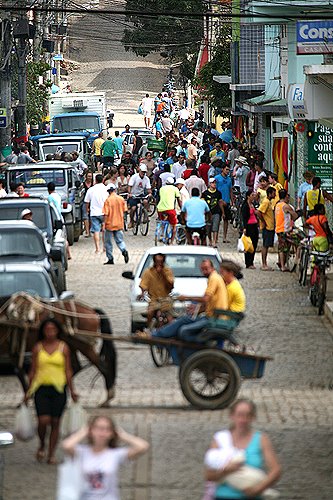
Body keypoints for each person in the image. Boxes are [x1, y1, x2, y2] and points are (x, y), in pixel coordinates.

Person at [25, 318, 78, 465]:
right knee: (43, 420)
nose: (50, 333)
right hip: (41, 388)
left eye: (53, 330)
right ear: (43, 331)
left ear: (57, 331)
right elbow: (33, 370)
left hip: (59, 389)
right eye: (47, 330)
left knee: (56, 421)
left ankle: (51, 453)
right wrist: (28, 391)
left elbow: (68, 370)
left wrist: (72, 390)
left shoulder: (63, 348)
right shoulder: (37, 348)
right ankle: (42, 443)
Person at [205, 399, 281, 500]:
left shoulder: (261, 439)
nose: (243, 420)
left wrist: (257, 490)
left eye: (248, 415)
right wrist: (226, 471)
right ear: (232, 416)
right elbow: (208, 475)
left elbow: (276, 470)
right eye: (239, 415)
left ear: (253, 417)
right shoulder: (220, 439)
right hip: (222, 497)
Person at [62, 416, 149, 500]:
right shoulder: (82, 452)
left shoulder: (115, 454)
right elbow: (66, 445)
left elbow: (143, 446)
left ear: (112, 433)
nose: (102, 433)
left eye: (107, 429)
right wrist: (83, 432)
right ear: (91, 430)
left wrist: (123, 435)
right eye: (98, 428)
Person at [142, 259, 228, 342]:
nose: (204, 272)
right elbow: (210, 302)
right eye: (202, 269)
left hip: (213, 319)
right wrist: (198, 308)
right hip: (211, 316)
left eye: (206, 269)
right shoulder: (214, 278)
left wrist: (186, 298)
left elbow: (206, 298)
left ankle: (155, 335)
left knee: (183, 330)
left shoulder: (214, 278)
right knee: (184, 319)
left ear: (212, 268)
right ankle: (157, 334)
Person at [140, 253, 175, 326]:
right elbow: (144, 285)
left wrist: (163, 274)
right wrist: (142, 293)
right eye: (157, 262)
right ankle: (148, 328)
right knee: (150, 312)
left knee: (170, 318)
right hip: (154, 299)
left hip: (165, 299)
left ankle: (171, 330)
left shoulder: (167, 271)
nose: (159, 264)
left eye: (161, 262)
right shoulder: (148, 272)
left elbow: (171, 285)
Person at [102, 183, 129, 265]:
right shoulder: (121, 199)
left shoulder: (108, 200)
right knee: (120, 240)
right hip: (119, 223)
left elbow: (106, 213)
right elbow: (125, 210)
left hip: (109, 224)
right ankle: (124, 250)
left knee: (108, 242)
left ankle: (110, 258)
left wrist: (104, 224)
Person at [275, 189, 300, 272]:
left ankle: (281, 264)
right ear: (286, 196)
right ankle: (295, 261)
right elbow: (295, 216)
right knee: (297, 243)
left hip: (279, 229)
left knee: (281, 248)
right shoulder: (286, 206)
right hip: (285, 230)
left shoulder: (277, 205)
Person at [84, 174, 108, 254]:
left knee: (96, 231)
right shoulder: (106, 189)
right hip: (104, 212)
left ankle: (97, 249)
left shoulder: (91, 189)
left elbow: (87, 201)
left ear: (95, 180)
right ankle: (105, 247)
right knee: (104, 230)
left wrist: (87, 209)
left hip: (94, 212)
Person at [157, 177, 182, 244]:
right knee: (174, 225)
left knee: (163, 222)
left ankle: (162, 233)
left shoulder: (162, 189)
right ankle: (171, 242)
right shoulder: (175, 189)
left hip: (160, 209)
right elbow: (178, 200)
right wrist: (182, 208)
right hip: (170, 209)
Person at [257, 186, 276, 271]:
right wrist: (263, 222)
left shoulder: (269, 202)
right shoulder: (266, 202)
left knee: (267, 245)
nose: (275, 194)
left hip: (270, 226)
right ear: (270, 193)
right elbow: (259, 212)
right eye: (274, 193)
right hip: (267, 227)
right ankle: (264, 264)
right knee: (265, 245)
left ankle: (265, 264)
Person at [202, 178, 223, 248]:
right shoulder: (205, 193)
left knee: (215, 227)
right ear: (210, 184)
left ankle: (214, 241)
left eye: (215, 183)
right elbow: (202, 203)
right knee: (208, 228)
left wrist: (223, 212)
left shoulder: (218, 193)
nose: (214, 184)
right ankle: (210, 240)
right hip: (208, 213)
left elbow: (220, 202)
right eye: (213, 183)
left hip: (216, 212)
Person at [215, 164, 234, 243]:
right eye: (226, 169)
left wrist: (232, 200)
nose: (227, 171)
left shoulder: (229, 179)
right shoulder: (217, 178)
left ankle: (224, 237)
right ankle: (216, 238)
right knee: (217, 220)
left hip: (226, 201)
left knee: (226, 220)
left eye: (228, 170)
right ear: (222, 169)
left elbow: (230, 190)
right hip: (219, 201)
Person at [241, 190, 259, 269]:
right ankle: (248, 262)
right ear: (248, 196)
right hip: (248, 226)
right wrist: (244, 228)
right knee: (248, 245)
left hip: (254, 225)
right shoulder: (245, 205)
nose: (253, 197)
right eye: (252, 195)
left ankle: (252, 261)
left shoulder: (253, 204)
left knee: (254, 244)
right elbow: (244, 217)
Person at [82, 171, 93, 237]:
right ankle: (87, 231)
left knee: (91, 217)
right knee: (85, 216)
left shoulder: (93, 185)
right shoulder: (83, 184)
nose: (89, 178)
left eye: (90, 176)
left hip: (92, 202)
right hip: (85, 201)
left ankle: (89, 229)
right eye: (88, 176)